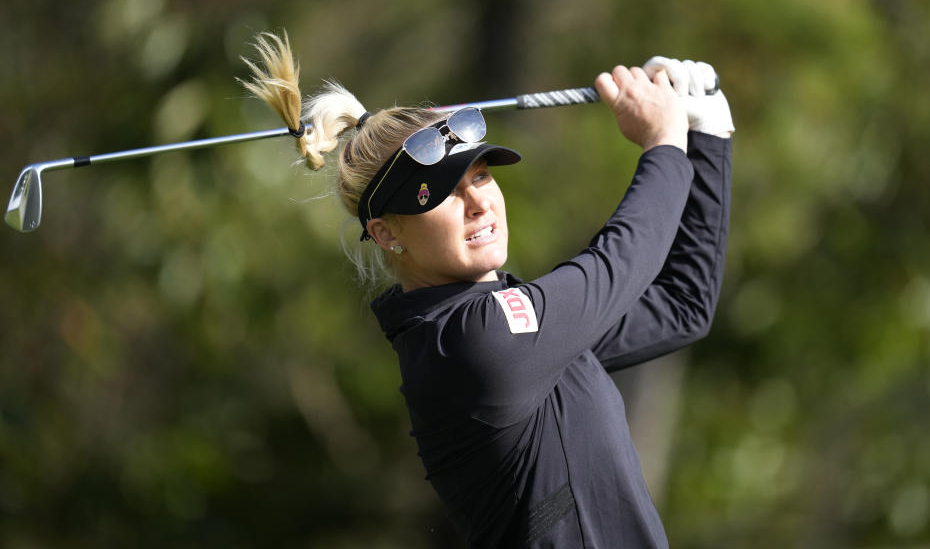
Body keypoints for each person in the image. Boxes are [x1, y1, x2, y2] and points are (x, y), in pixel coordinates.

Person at [240, 32, 733, 548]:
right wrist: (665, 144)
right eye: (446, 194)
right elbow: (619, 263)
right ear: (387, 233)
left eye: (479, 177)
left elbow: (681, 306)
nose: (478, 202)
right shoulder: (472, 342)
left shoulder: (508, 336)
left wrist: (708, 133)